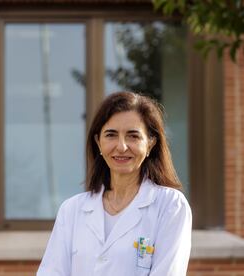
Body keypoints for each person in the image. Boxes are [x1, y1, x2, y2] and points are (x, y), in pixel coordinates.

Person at [37, 91, 192, 276]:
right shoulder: (72, 211)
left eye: (133, 136)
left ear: (150, 143)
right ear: (98, 142)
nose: (121, 146)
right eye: (111, 135)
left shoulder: (170, 206)